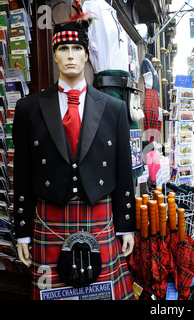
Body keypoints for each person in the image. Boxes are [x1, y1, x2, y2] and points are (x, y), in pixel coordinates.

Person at [12, 15, 136, 300]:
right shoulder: (28, 108)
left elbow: (122, 170)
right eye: (63, 49)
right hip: (49, 217)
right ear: (54, 54)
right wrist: (22, 231)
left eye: (77, 48)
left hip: (100, 215)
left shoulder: (114, 108)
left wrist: (126, 223)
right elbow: (22, 173)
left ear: (87, 54)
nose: (71, 56)